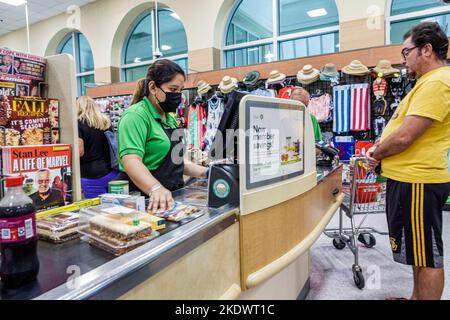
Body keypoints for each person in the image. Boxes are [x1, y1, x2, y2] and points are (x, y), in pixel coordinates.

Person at [366, 22, 450, 300]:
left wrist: (376, 154)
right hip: (410, 180)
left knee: (426, 254)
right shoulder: (426, 83)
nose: (403, 60)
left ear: (426, 50)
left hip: (418, 181)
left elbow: (405, 137)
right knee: (419, 249)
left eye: (406, 52)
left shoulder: (438, 82)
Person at [117, 59, 207, 214]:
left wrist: (206, 172)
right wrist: (155, 188)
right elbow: (131, 160)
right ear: (153, 87)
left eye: (180, 90)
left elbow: (177, 162)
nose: (177, 95)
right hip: (144, 201)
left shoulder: (170, 119)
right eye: (173, 89)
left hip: (170, 198)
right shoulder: (135, 116)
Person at [77, 96, 119, 198]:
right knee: (117, 207)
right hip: (111, 171)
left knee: (97, 209)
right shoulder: (106, 122)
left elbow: (80, 151)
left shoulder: (78, 123)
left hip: (91, 175)